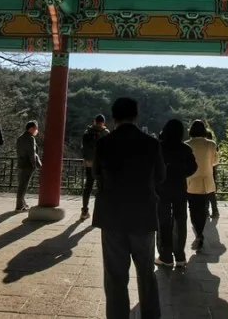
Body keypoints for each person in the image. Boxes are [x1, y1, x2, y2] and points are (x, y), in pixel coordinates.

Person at [93, 97, 165, 319]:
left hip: (112, 216)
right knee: (146, 274)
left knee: (115, 276)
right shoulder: (151, 143)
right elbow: (160, 176)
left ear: (114, 118)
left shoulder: (104, 143)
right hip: (143, 215)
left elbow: (97, 175)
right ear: (136, 116)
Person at [156, 119, 197, 268]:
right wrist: (181, 173)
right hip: (179, 188)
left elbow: (153, 167)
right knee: (180, 220)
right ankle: (180, 256)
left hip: (162, 189)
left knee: (163, 220)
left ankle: (165, 256)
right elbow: (193, 167)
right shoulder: (185, 149)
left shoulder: (159, 147)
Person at [185, 120, 218, 251]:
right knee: (204, 208)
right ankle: (200, 233)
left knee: (193, 209)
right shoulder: (211, 144)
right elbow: (214, 162)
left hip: (191, 181)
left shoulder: (187, 144)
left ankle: (198, 234)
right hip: (206, 181)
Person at [81, 114, 109, 219]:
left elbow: (82, 147)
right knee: (101, 188)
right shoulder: (105, 133)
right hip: (101, 165)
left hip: (89, 163)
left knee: (88, 187)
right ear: (103, 122)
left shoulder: (87, 132)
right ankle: (99, 214)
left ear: (94, 121)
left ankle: (84, 211)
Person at [15, 120, 42, 211]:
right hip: (28, 164)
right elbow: (32, 153)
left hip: (20, 163)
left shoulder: (20, 138)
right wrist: (34, 164)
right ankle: (19, 205)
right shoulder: (30, 138)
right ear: (31, 128)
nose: (36, 130)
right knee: (24, 185)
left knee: (21, 184)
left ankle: (22, 204)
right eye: (35, 128)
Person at [206, 129, 220, 219]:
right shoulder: (214, 146)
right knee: (210, 192)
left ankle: (209, 210)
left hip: (209, 171)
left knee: (208, 192)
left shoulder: (209, 145)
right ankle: (214, 211)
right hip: (212, 171)